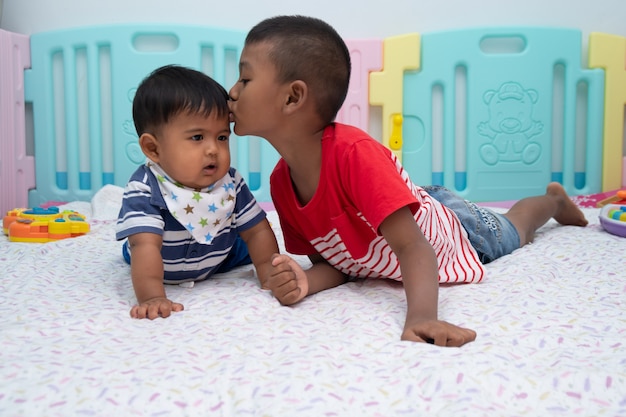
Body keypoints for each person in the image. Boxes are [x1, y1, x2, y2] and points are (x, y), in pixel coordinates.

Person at [227, 15, 589, 347]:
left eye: (245, 78)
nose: (233, 91)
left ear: (292, 97)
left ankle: (553, 201)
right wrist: (306, 282)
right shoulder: (281, 185)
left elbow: (414, 247)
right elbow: (336, 264)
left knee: (515, 230)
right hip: (409, 202)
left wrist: (422, 318)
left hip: (457, 230)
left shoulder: (354, 156)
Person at [116, 65, 279, 320]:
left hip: (220, 254)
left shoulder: (231, 183)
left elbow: (257, 230)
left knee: (252, 240)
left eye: (222, 137)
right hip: (161, 256)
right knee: (138, 244)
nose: (213, 149)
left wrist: (270, 273)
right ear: (153, 149)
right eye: (197, 138)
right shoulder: (146, 187)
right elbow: (145, 244)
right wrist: (152, 297)